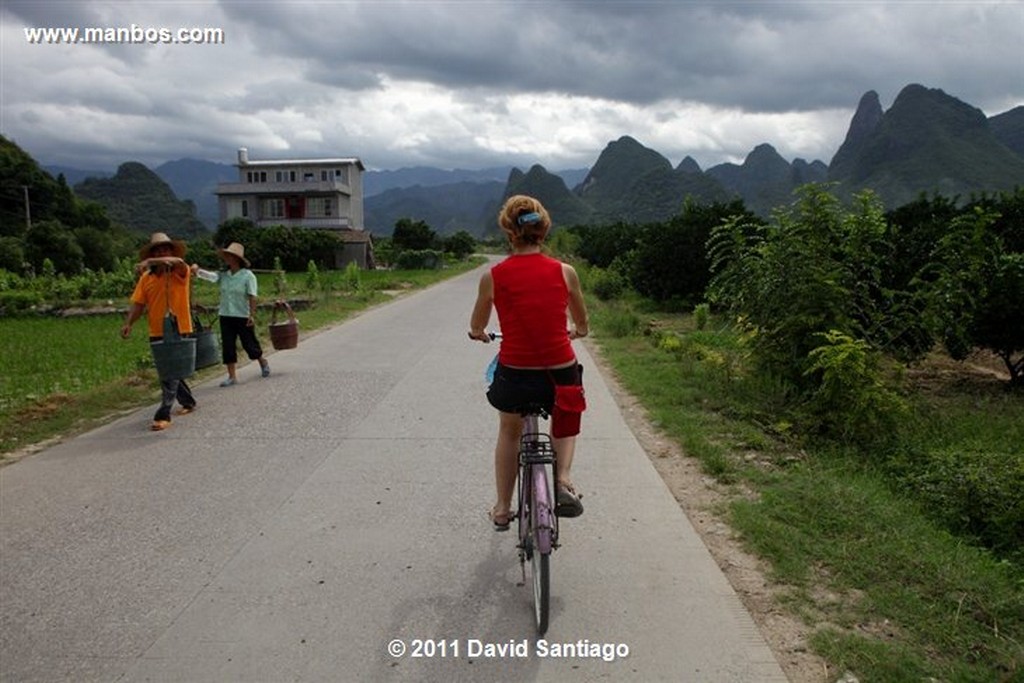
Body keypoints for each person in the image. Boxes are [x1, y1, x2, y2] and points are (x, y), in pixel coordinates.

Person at [468, 194, 590, 530]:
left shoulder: (493, 276)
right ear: (544, 229)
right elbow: (582, 323)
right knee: (566, 418)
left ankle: (503, 508)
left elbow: (477, 326)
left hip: (515, 374)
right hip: (559, 372)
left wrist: (479, 334)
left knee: (509, 432)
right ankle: (563, 481)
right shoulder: (566, 272)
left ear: (509, 231)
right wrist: (577, 331)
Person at [121, 232, 197, 431]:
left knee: (168, 373)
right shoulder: (147, 278)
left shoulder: (181, 272)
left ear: (171, 251)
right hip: (156, 329)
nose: (162, 253)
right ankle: (188, 401)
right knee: (169, 370)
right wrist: (129, 323)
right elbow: (138, 304)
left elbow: (178, 261)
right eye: (157, 250)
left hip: (178, 327)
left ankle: (163, 413)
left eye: (165, 249)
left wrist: (150, 260)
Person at [193, 242, 270, 386]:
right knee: (228, 346)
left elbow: (253, 296)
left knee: (249, 344)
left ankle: (262, 361)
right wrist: (197, 271)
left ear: (236, 258)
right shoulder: (224, 275)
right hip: (226, 315)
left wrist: (252, 315)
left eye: (229, 256)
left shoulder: (248, 276)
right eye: (226, 256)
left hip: (242, 315)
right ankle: (232, 376)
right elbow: (211, 276)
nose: (226, 258)